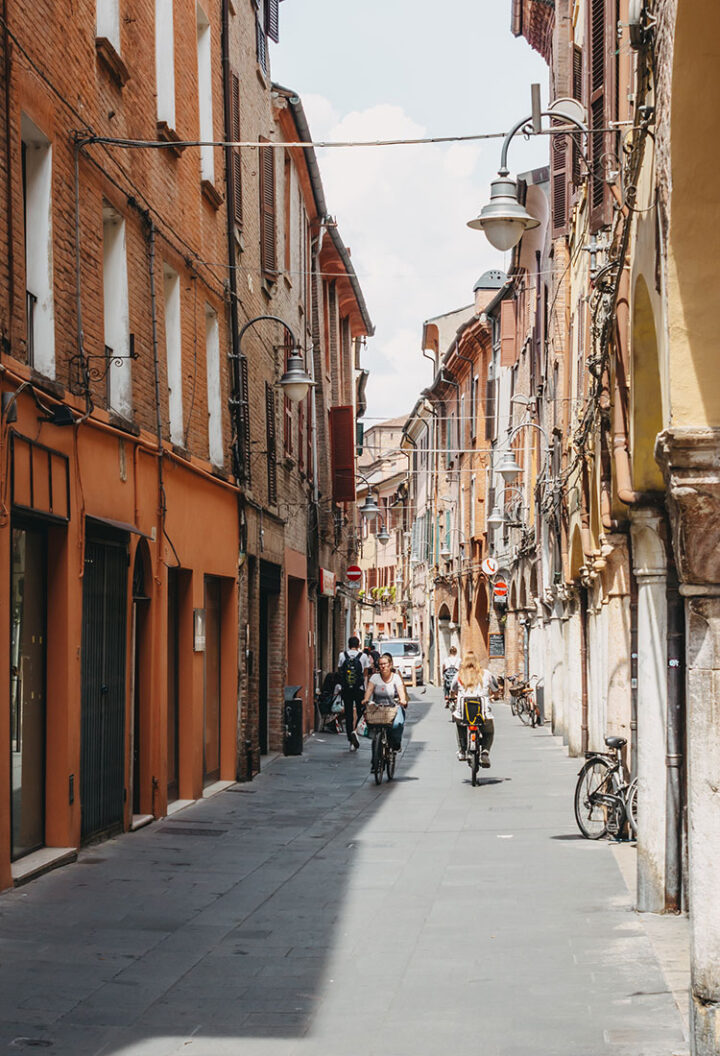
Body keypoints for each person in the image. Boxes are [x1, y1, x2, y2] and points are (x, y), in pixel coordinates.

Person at [451, 651, 498, 767]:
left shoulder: (459, 675)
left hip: (463, 712)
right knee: (489, 732)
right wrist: (494, 696)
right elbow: (496, 689)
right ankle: (485, 752)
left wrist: (454, 697)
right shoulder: (486, 674)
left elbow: (452, 689)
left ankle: (462, 750)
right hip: (483, 712)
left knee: (459, 724)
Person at [362, 651, 409, 754]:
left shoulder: (396, 677)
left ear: (390, 665)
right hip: (378, 707)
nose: (383, 667)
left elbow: (401, 691)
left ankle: (396, 743)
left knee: (398, 724)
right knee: (371, 724)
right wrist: (366, 699)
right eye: (381, 664)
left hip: (393, 707)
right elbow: (369, 690)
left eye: (385, 664)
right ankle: (375, 760)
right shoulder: (375, 677)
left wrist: (403, 700)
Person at [338, 636, 371, 751]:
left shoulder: (342, 655)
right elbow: (365, 673)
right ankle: (355, 732)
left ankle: (350, 738)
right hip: (359, 689)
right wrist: (366, 688)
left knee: (348, 713)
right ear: (358, 645)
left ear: (348, 644)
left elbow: (340, 671)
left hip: (346, 689)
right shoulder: (363, 656)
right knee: (360, 711)